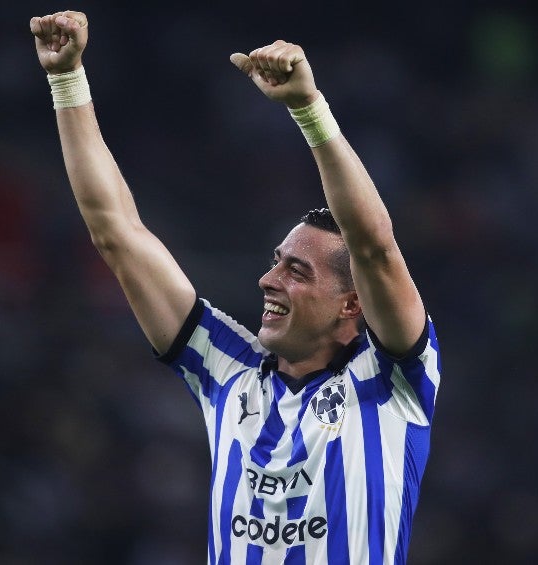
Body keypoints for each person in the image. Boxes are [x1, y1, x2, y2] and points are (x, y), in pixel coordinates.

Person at [30, 10, 442, 564]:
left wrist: (309, 109)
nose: (268, 280)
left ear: (352, 303)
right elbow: (118, 235)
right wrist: (66, 79)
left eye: (297, 271)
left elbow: (374, 247)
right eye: (276, 263)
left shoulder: (394, 379)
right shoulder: (226, 369)